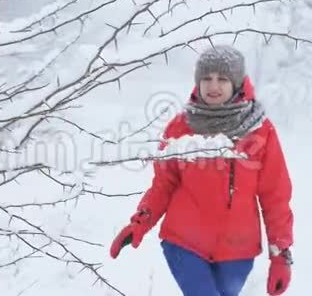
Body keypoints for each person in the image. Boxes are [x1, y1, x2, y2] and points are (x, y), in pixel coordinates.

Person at [109, 45, 294, 296]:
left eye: (222, 78)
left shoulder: (259, 131)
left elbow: (275, 196)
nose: (213, 85)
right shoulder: (180, 127)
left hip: (238, 250)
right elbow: (164, 185)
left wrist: (280, 254)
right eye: (206, 78)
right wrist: (140, 222)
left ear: (237, 83)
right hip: (184, 244)